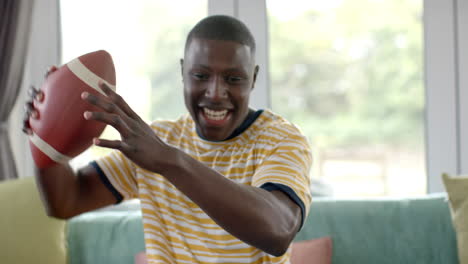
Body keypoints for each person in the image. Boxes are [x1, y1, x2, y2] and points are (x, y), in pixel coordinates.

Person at [23, 15, 312, 264]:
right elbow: (66, 201)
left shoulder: (280, 138)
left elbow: (278, 231)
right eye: (200, 75)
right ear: (183, 72)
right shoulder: (160, 139)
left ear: (254, 78)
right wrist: (44, 139)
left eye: (233, 79)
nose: (215, 93)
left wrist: (168, 161)